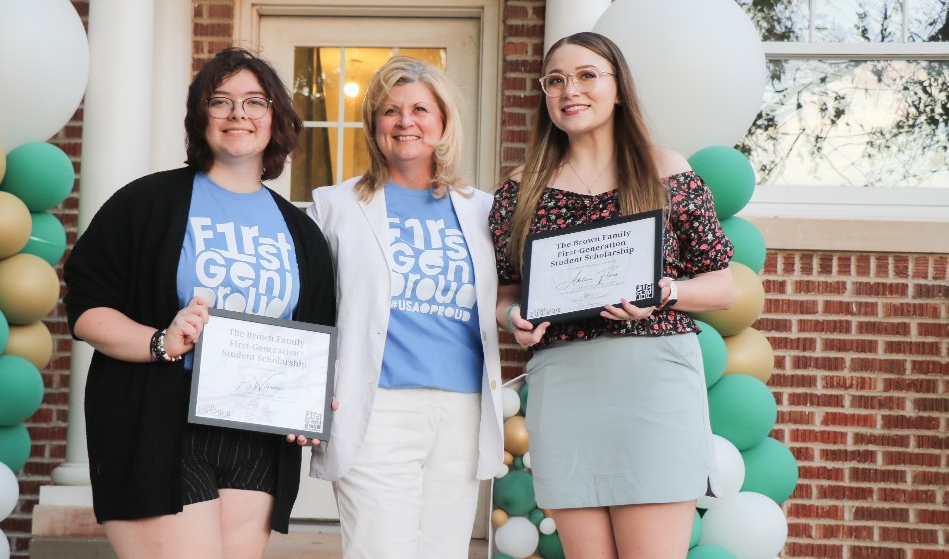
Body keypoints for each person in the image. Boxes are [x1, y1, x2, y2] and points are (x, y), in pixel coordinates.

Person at [62, 47, 335, 559]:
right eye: (221, 100)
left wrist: (312, 400)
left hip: (257, 438)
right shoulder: (144, 204)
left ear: (275, 117)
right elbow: (87, 308)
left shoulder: (303, 233)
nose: (238, 114)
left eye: (255, 102)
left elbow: (316, 334)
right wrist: (160, 340)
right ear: (199, 115)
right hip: (159, 424)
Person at [488, 32, 737, 559]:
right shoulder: (519, 188)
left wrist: (665, 292)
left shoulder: (665, 170)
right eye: (554, 80)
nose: (569, 90)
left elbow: (723, 286)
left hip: (655, 383)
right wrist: (513, 317)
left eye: (585, 75)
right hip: (564, 385)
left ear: (618, 87)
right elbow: (507, 291)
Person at [306, 56, 505, 559]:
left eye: (420, 109)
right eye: (390, 110)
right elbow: (307, 304)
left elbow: (505, 298)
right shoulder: (335, 206)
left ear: (442, 122)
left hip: (461, 409)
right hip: (376, 408)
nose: (405, 121)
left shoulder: (482, 209)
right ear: (375, 125)